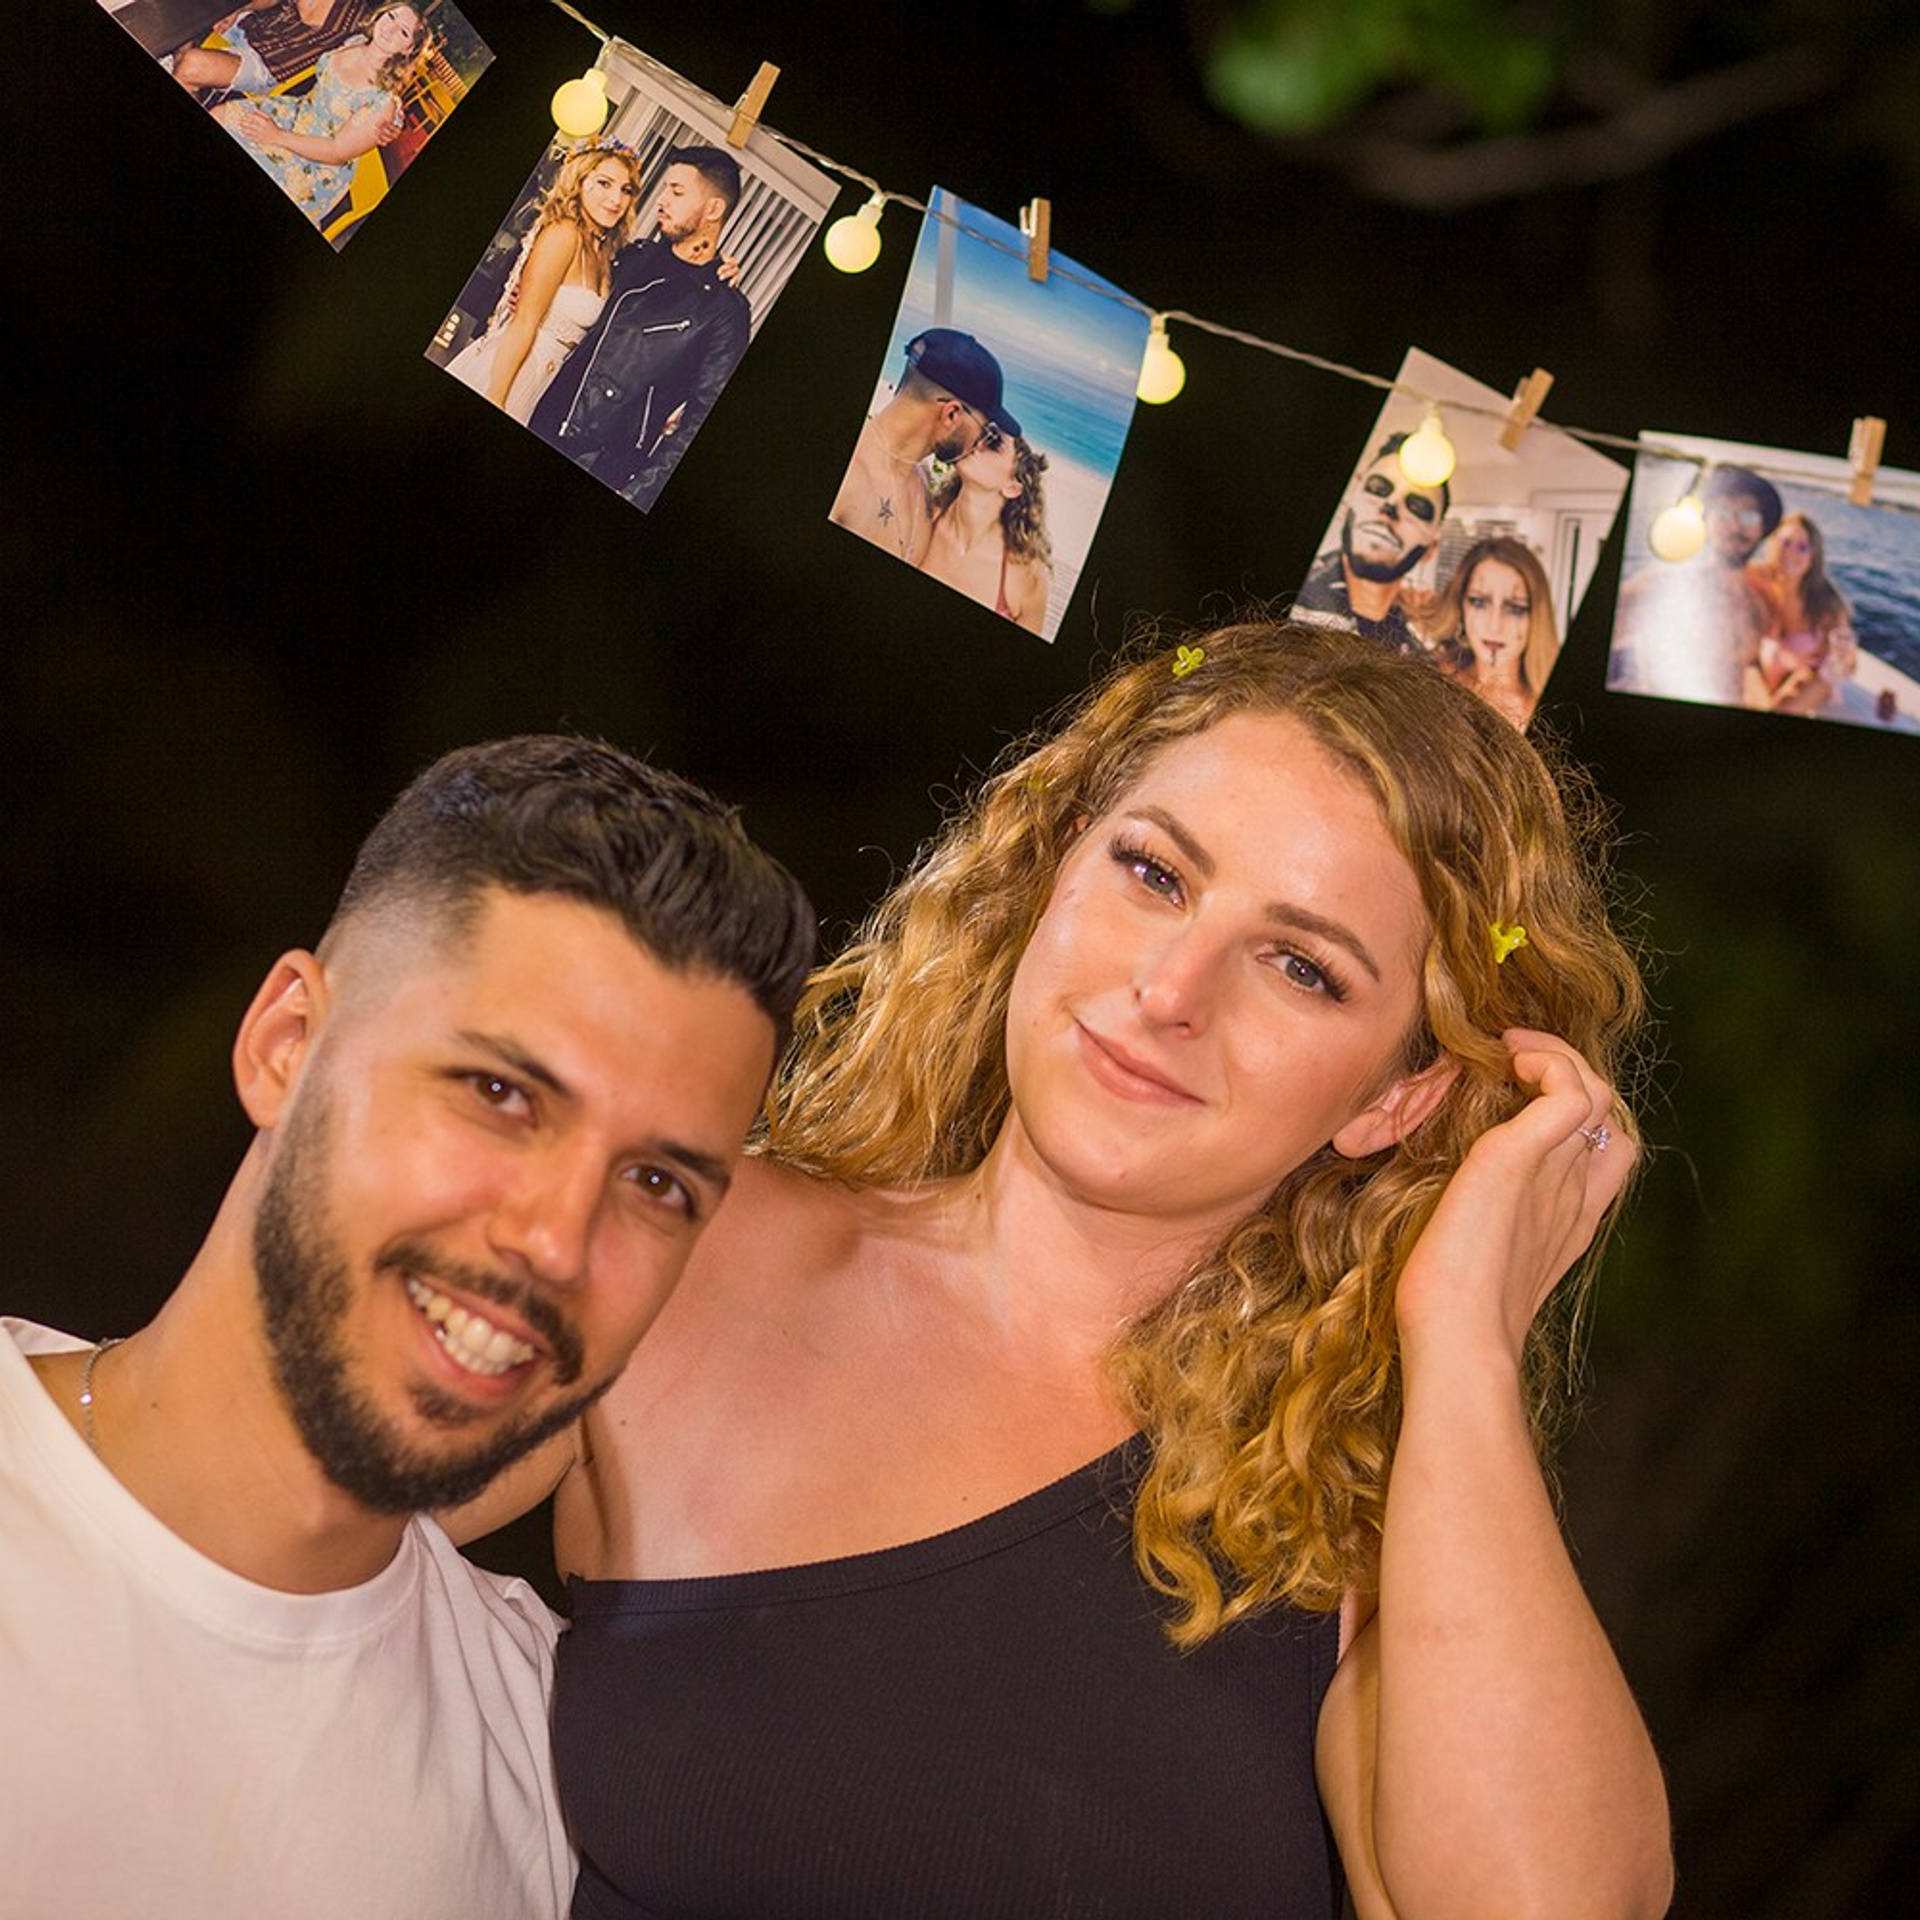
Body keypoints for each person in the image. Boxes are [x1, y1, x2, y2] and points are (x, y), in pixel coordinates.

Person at [460, 623, 1673, 1918]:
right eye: (1153, 872)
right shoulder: (682, 1242)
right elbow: (262, 1519)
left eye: (1302, 966)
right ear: (1054, 862)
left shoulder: (1350, 1543)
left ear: (1400, 1100)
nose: (1171, 988)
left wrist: (1464, 1338)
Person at [0, 735, 816, 1920]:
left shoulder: (546, 1780)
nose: (556, 1240)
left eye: (656, 1185)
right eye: (500, 1095)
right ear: (287, 1045)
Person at [530, 146, 751, 511]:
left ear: (713, 210)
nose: (662, 199)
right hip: (546, 416)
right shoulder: (634, 255)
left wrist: (638, 494)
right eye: (664, 188)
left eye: (677, 192)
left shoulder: (724, 309)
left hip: (602, 462)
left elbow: (700, 421)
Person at [446, 143, 645, 426]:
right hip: (509, 372)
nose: (616, 199)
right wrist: (496, 398)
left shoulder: (603, 251)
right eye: (604, 183)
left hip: (541, 381)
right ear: (580, 181)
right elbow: (524, 322)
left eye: (626, 190)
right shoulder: (564, 234)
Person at [211, 1, 430, 232]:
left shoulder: (381, 101)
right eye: (392, 16)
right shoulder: (354, 42)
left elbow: (336, 152)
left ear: (408, 50)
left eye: (404, 32)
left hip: (315, 164)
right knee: (220, 115)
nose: (391, 28)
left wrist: (276, 136)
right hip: (296, 114)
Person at [830, 327, 1020, 566]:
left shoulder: (923, 487)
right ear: (951, 414)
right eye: (984, 430)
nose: (979, 442)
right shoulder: (848, 479)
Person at [1609, 463, 1782, 706]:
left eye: (1748, 516)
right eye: (1722, 513)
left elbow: (1748, 668)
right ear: (1705, 523)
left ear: (1763, 527)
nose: (1734, 527)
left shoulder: (1758, 603)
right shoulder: (1661, 586)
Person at [1296, 432, 1451, 652]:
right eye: (1378, 488)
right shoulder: (1286, 604)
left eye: (1416, 507)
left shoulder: (1415, 659)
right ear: (1350, 501)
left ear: (1430, 548)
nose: (1389, 508)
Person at [919, 423, 1053, 633]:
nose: (977, 442)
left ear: (1011, 488)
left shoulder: (1027, 574)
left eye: (994, 442)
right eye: (980, 434)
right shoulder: (922, 517)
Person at [1428, 535, 1562, 729]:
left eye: (1515, 608)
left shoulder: (1551, 710)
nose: (1494, 626)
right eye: (1478, 602)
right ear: (1460, 605)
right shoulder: (1433, 681)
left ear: (1537, 617)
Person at [1741, 510, 1856, 716]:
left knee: (1780, 711)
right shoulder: (1760, 577)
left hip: (1813, 672)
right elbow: (1723, 569)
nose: (1792, 553)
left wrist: (1844, 661)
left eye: (1803, 547)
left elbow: (1849, 662)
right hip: (1771, 662)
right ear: (1774, 544)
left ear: (1813, 556)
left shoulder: (1829, 603)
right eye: (1786, 543)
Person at [172, 0, 378, 100]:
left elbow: (374, 62)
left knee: (191, 64)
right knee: (182, 11)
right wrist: (239, 8)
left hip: (267, 64)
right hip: (252, 25)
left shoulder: (363, 18)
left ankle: (185, 65)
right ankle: (178, 58)